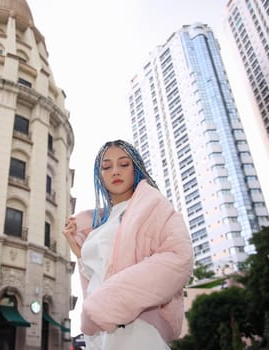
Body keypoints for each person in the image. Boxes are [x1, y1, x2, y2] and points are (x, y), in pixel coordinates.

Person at [63, 140, 194, 349]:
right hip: (98, 334)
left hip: (135, 328)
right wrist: (77, 248)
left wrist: (114, 299)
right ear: (100, 175)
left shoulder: (153, 206)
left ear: (136, 169)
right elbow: (100, 272)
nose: (115, 171)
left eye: (124, 164)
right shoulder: (99, 223)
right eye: (106, 166)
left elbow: (179, 257)